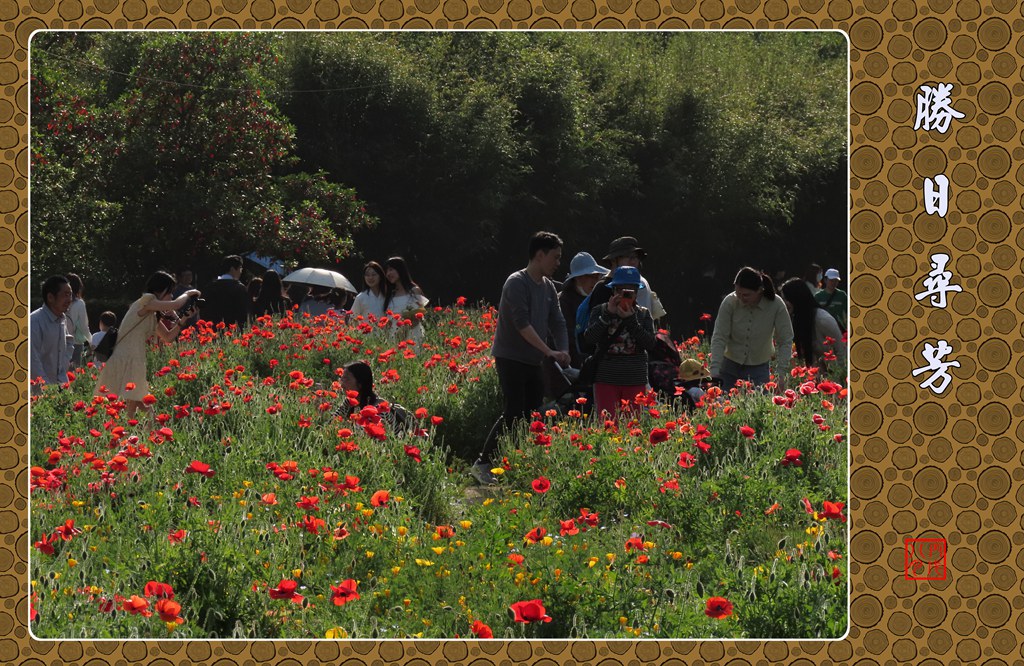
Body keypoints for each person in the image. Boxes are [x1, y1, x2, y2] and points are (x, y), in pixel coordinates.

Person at [474, 232, 571, 484]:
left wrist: (563, 350)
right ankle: (483, 462)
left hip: (534, 360)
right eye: (555, 257)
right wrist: (549, 351)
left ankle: (512, 461)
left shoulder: (549, 287)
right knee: (514, 411)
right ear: (539, 255)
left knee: (532, 414)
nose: (558, 263)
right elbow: (522, 324)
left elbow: (558, 322)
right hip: (510, 357)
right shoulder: (516, 283)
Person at [95, 272, 201, 421]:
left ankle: (141, 436)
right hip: (126, 359)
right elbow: (176, 304)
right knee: (132, 406)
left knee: (139, 406)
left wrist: (184, 318)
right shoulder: (146, 300)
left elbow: (168, 337)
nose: (171, 296)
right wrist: (188, 293)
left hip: (135, 360)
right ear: (160, 290)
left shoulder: (151, 314)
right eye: (169, 292)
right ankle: (137, 436)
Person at [582, 266, 658, 418]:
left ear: (636, 293)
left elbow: (651, 344)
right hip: (605, 378)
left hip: (634, 379)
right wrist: (607, 316)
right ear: (613, 291)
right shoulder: (600, 310)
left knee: (632, 427)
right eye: (620, 291)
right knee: (608, 425)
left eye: (630, 292)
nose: (624, 295)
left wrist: (632, 321)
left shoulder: (643, 314)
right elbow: (589, 339)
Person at [709, 266, 794, 390]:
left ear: (759, 290)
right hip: (728, 368)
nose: (741, 298)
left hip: (758, 370)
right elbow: (719, 336)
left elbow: (785, 339)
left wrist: (781, 374)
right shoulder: (730, 302)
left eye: (746, 295)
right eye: (738, 294)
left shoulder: (776, 305)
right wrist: (715, 371)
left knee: (759, 407)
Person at [781, 278, 847, 371]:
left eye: (786, 299)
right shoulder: (798, 319)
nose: (784, 303)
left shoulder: (823, 320)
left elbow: (842, 351)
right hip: (818, 376)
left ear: (797, 298)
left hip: (835, 375)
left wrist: (839, 378)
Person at [558, 252, 607, 369]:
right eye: (592, 276)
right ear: (579, 278)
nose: (596, 281)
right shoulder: (563, 301)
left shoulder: (595, 298)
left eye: (598, 276)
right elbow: (568, 337)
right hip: (569, 366)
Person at [332, 361, 410, 433]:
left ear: (360, 384)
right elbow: (332, 423)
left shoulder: (380, 410)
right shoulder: (350, 402)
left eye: (346, 379)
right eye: (342, 379)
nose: (342, 385)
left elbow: (377, 441)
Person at [29, 275, 74, 395]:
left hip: (59, 386)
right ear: (50, 297)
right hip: (39, 393)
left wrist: (62, 383)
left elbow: (67, 347)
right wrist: (47, 389)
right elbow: (33, 360)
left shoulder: (62, 319)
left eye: (70, 294)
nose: (69, 299)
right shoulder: (35, 322)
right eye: (65, 294)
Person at [383, 257, 428, 342]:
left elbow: (418, 316)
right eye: (387, 271)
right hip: (394, 337)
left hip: (412, 336)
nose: (388, 274)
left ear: (400, 270)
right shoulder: (390, 294)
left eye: (391, 269)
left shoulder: (414, 291)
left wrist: (402, 335)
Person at [199, 254, 249, 327]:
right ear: (232, 269)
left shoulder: (210, 287)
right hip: (233, 331)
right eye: (240, 268)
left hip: (212, 330)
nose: (241, 271)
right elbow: (242, 314)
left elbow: (204, 311)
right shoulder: (239, 288)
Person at [65, 273, 92, 369]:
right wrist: (91, 342)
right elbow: (84, 326)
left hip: (58, 341)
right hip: (75, 343)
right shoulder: (79, 303)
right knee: (71, 376)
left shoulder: (58, 301)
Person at [814, 267, 848, 332]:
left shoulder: (842, 295)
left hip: (839, 329)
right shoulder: (818, 296)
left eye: (836, 280)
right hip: (823, 329)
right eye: (831, 280)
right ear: (825, 280)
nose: (834, 283)